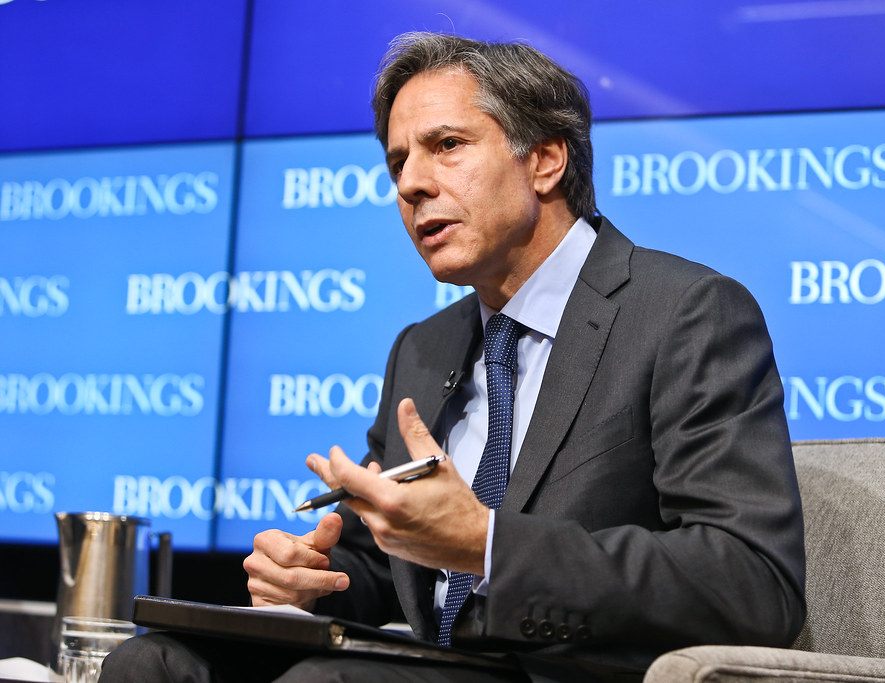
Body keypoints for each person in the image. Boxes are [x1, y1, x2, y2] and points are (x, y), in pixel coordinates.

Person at [100, 31, 805, 683]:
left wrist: (489, 544)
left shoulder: (685, 313)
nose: (410, 183)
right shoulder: (423, 345)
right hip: (426, 666)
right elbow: (388, 565)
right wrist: (315, 577)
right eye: (398, 162)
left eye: (446, 145)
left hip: (569, 672)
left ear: (546, 159)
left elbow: (753, 583)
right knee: (152, 662)